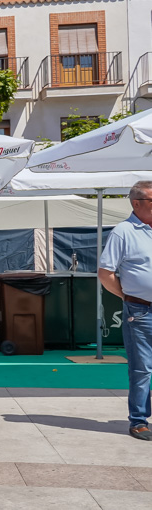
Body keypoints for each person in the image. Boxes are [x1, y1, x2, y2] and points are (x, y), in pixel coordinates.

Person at [99, 180, 152, 441]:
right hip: (140, 311)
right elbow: (105, 273)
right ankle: (139, 421)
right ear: (136, 203)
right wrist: (128, 296)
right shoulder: (123, 231)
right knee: (142, 369)